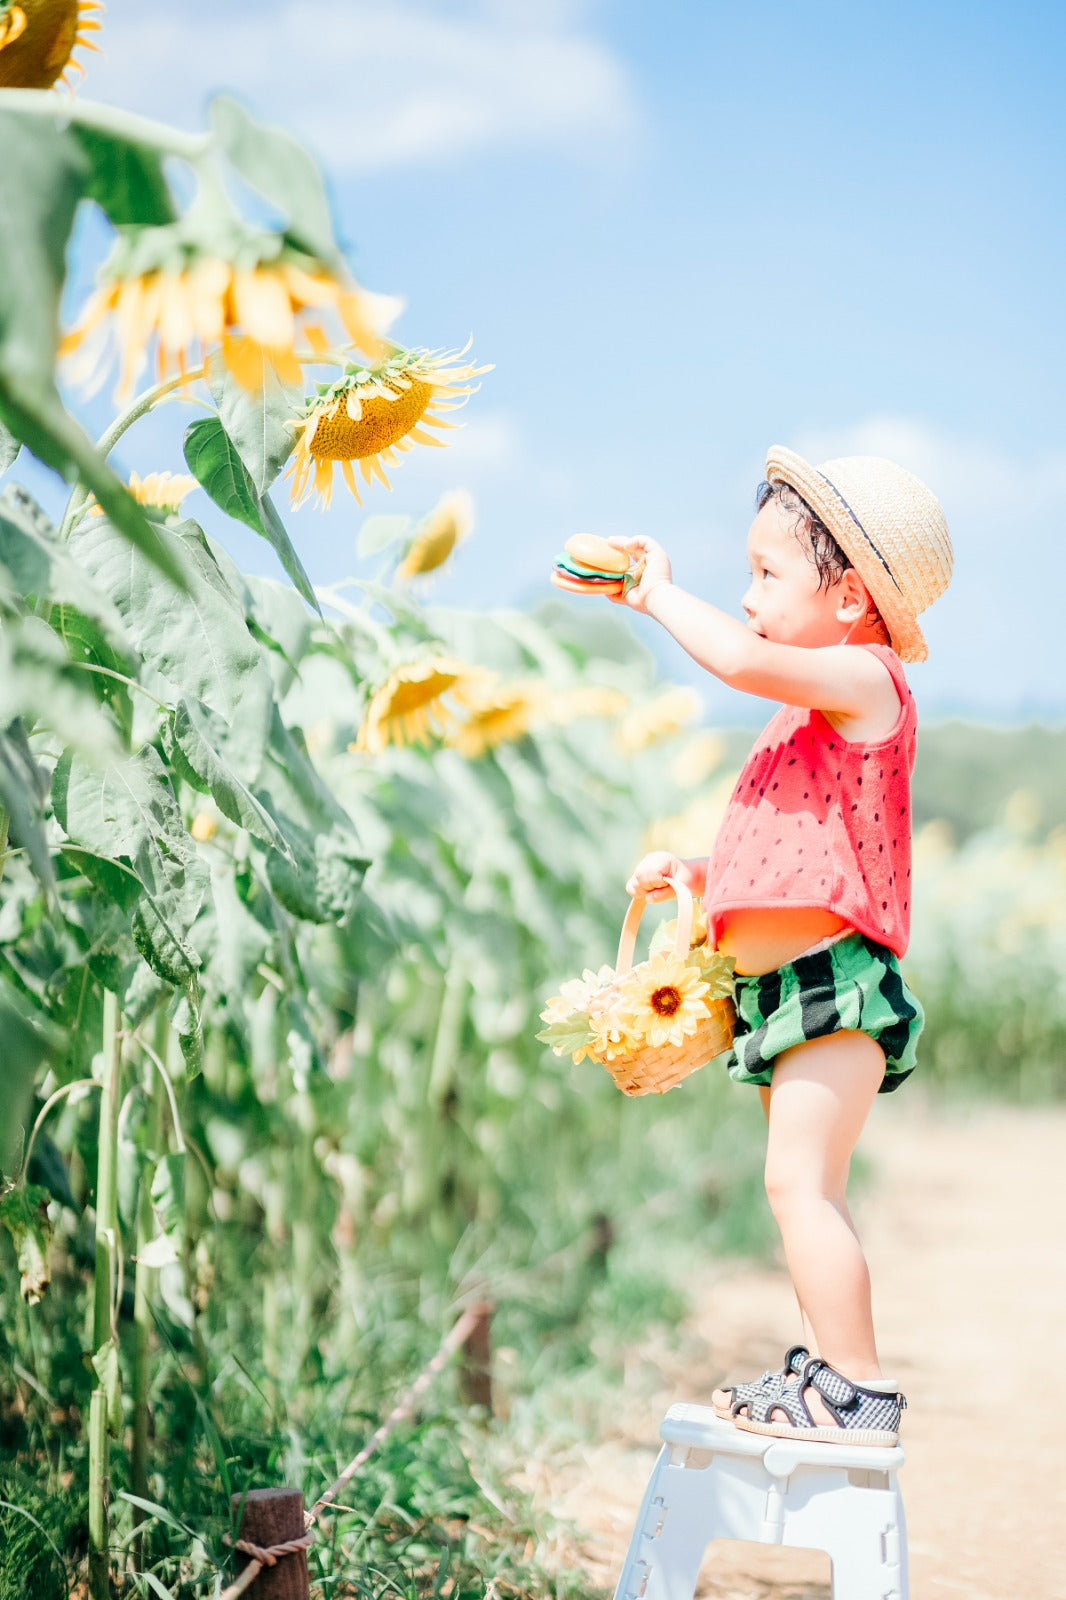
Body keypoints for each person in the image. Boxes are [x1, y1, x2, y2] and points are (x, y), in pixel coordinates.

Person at [610, 446, 953, 1446]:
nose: (748, 596)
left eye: (767, 573)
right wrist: (693, 873)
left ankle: (859, 1387)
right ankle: (824, 1371)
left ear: (848, 597)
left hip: (832, 986)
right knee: (801, 1189)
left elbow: (737, 657)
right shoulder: (804, 717)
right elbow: (784, 854)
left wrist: (656, 595)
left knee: (799, 1186)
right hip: (779, 994)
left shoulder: (864, 678)